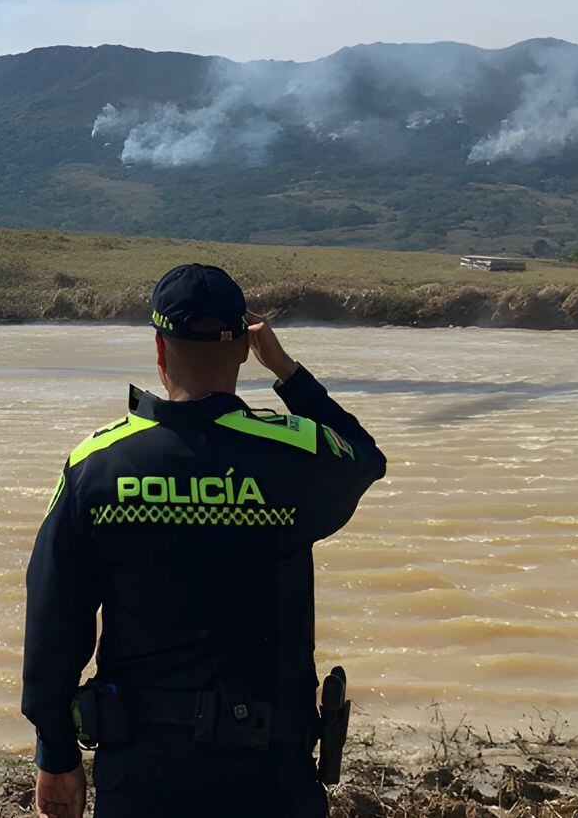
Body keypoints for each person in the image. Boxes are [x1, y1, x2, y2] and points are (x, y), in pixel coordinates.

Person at [22, 263, 386, 818]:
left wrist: (56, 751)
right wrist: (287, 373)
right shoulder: (294, 455)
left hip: (143, 769)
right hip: (268, 774)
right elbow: (365, 458)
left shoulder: (95, 465)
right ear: (244, 348)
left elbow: (54, 619)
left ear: (159, 349)